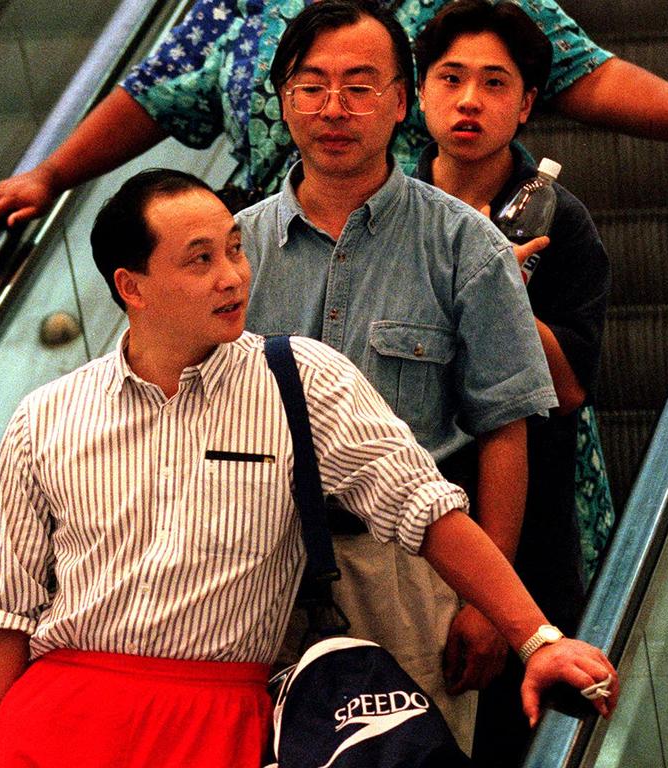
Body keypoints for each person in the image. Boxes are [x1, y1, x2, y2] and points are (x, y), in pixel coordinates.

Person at [0, 168, 619, 767]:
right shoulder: (46, 416)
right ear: (131, 287)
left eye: (235, 249)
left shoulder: (302, 378)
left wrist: (536, 637)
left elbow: (426, 509)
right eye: (200, 260)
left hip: (219, 717)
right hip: (55, 719)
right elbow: (4, 611)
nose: (232, 277)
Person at [237, 0, 557, 751]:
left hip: (411, 573)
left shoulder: (464, 245)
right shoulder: (232, 248)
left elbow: (504, 434)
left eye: (360, 85)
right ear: (284, 100)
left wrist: (485, 604)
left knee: (412, 756)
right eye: (310, 86)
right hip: (253, 569)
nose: (333, 108)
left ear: (402, 101)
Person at [0, 0, 668, 232]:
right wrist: (50, 172)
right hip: (273, 247)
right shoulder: (241, 3)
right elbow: (157, 90)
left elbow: (580, 70)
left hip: (428, 244)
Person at [412, 1, 609, 762]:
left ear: (526, 103)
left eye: (495, 84)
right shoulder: (384, 211)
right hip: (398, 525)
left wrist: (496, 284)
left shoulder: (562, 222)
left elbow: (567, 390)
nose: (469, 101)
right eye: (450, 79)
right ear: (417, 95)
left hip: (524, 527)